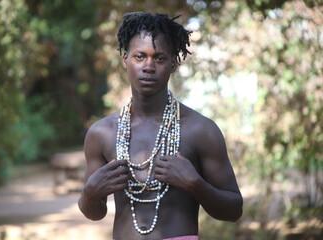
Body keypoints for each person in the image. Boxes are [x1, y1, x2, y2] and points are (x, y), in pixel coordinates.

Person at [78, 12, 243, 240]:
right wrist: (89, 193)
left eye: (159, 58)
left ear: (173, 63)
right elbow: (95, 213)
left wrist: (195, 184)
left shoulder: (200, 130)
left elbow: (234, 210)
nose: (148, 66)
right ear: (125, 59)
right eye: (139, 56)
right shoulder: (102, 133)